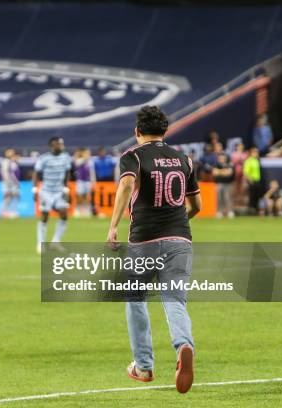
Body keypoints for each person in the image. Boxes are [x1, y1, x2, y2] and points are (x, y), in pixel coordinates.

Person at [107, 106, 201, 394]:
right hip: (180, 240)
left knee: (135, 298)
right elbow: (196, 205)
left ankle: (144, 366)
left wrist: (113, 227)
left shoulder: (133, 156)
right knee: (175, 300)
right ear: (166, 131)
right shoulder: (183, 159)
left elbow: (126, 185)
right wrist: (177, 224)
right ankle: (184, 345)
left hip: (144, 239)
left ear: (137, 132)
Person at [33, 136, 72, 253]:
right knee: (45, 216)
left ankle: (56, 242)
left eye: (61, 144)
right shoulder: (44, 158)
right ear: (52, 145)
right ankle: (41, 243)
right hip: (46, 191)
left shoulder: (66, 157)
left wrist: (66, 189)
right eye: (58, 144)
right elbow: (36, 173)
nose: (61, 146)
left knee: (64, 213)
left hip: (59, 191)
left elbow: (67, 173)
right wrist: (35, 190)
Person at [73, 147, 96, 216]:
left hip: (87, 181)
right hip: (80, 181)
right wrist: (83, 158)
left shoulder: (90, 162)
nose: (87, 154)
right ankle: (77, 210)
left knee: (87, 196)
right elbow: (76, 164)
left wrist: (93, 181)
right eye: (86, 153)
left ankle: (86, 211)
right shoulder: (80, 160)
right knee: (79, 196)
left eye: (88, 153)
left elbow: (92, 172)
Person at [212, 153, 235, 218]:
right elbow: (214, 173)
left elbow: (229, 173)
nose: (222, 159)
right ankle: (219, 212)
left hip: (228, 184)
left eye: (223, 158)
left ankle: (230, 211)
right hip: (219, 183)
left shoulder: (229, 164)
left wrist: (220, 172)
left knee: (228, 198)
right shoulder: (216, 165)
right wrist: (224, 171)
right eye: (220, 158)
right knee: (218, 198)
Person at [0, 148, 21, 218]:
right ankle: (3, 211)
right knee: (8, 197)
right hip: (7, 183)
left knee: (11, 197)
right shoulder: (5, 161)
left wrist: (15, 181)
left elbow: (11, 173)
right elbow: (5, 172)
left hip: (10, 182)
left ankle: (8, 211)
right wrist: (8, 181)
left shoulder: (10, 162)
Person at [243, 147, 262, 214]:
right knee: (252, 197)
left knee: (257, 197)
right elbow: (246, 172)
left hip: (258, 181)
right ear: (251, 153)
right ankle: (251, 211)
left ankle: (256, 210)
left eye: (257, 152)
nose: (256, 154)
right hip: (252, 181)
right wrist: (250, 180)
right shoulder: (249, 161)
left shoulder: (257, 160)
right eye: (254, 152)